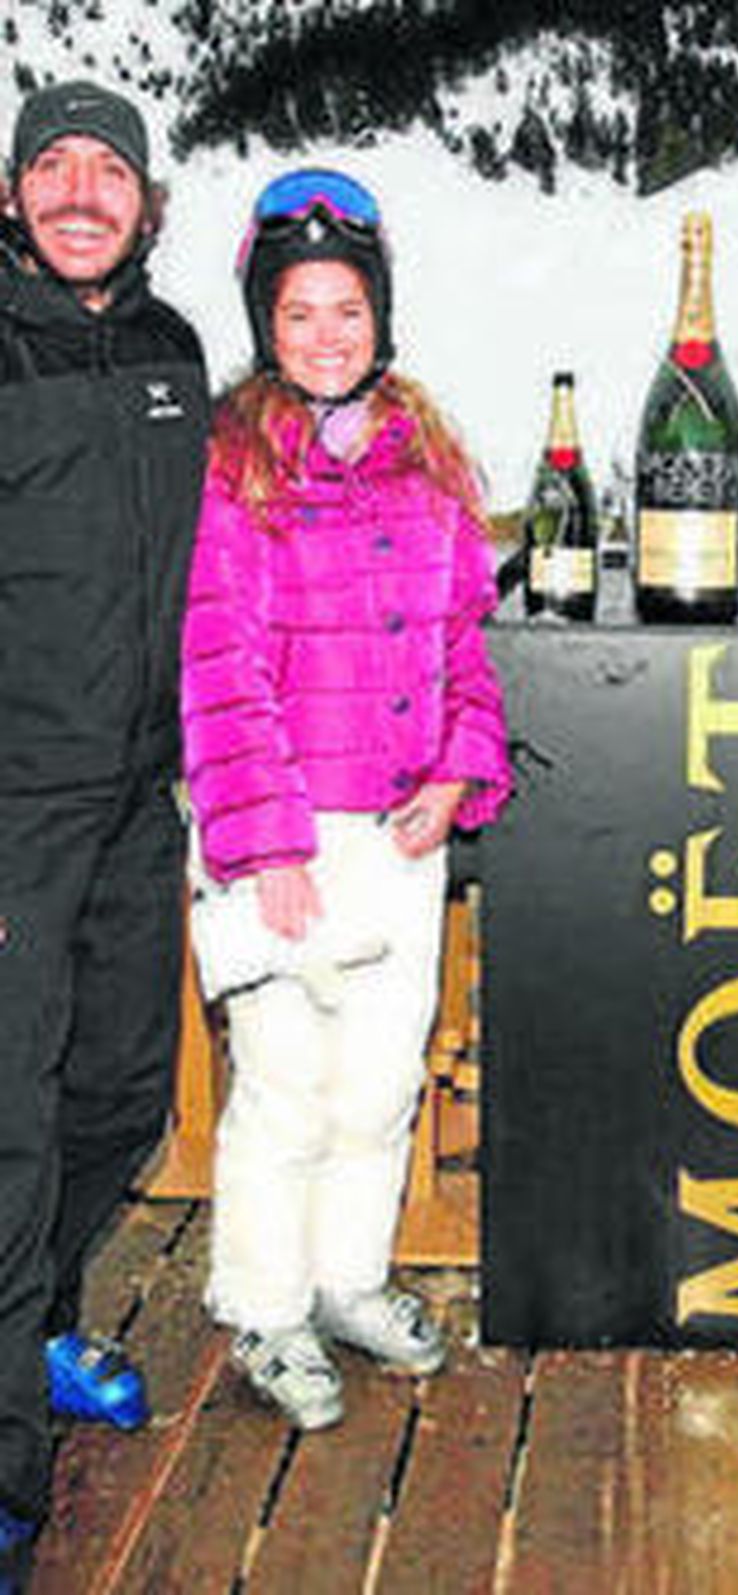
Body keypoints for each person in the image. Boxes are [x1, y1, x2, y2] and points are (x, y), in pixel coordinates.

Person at [181, 168, 509, 1431]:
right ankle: (264, 1301)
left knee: (380, 1079)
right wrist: (262, 844)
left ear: (382, 318)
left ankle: (348, 1276)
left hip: (400, 831)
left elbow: (464, 639)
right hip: (287, 839)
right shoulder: (230, 466)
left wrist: (457, 768)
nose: (327, 333)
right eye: (301, 310)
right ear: (266, 322)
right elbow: (216, 664)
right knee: (284, 1084)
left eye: (348, 309)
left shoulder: (425, 456)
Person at [0, 79, 209, 1576]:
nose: (82, 190)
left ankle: (39, 1320)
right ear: (12, 194)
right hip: (12, 802)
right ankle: (8, 1467)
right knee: (6, 1131)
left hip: (142, 796)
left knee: (124, 1090)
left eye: (108, 170)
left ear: (146, 199)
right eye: (51, 167)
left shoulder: (170, 347)